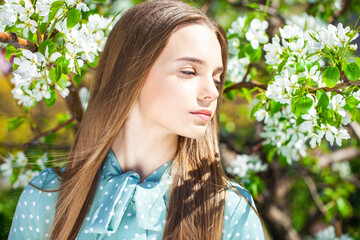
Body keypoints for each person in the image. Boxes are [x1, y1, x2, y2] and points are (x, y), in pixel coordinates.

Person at [8, 0, 265, 239]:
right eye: (189, 71)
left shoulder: (228, 209)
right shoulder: (46, 197)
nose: (212, 92)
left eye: (216, 79)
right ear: (131, 72)